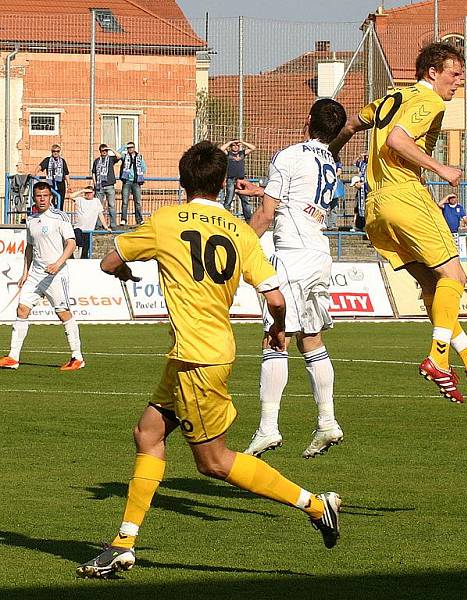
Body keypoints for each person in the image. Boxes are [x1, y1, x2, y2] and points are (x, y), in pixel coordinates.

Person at [76, 141, 341, 579]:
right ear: (222, 183)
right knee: (147, 433)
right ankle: (124, 543)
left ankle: (316, 506)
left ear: (182, 182)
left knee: (213, 462)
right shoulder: (239, 230)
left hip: (196, 358)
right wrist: (278, 326)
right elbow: (275, 297)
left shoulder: (163, 221)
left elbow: (108, 261)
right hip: (200, 353)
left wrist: (124, 270)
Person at [328, 42, 467, 403]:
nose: (460, 82)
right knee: (455, 277)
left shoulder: (391, 97)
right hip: (405, 198)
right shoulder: (430, 102)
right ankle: (437, 357)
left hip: (376, 207)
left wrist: (325, 153)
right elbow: (398, 139)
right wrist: (439, 168)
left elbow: (351, 123)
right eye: (454, 74)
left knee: (433, 284)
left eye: (462, 75)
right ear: (432, 73)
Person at [236, 99, 347, 460]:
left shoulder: (289, 154)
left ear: (308, 120)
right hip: (318, 252)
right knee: (310, 338)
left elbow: (266, 216)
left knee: (275, 336)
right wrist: (262, 190)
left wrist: (237, 248)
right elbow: (297, 201)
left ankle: (268, 427)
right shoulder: (330, 160)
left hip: (293, 256)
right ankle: (327, 420)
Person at [0, 182, 84, 371]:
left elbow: (71, 244)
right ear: (34, 198)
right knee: (22, 309)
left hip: (56, 273)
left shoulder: (60, 217)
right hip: (36, 273)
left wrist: (58, 263)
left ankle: (77, 357)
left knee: (63, 313)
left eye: (45, 196)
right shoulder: (31, 220)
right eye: (38, 196)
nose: (42, 199)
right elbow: (29, 247)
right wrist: (25, 272)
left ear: (51, 197)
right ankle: (13, 357)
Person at [218, 139, 256, 223]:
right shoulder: (228, 154)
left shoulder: (242, 153)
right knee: (228, 201)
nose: (236, 147)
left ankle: (248, 220)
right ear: (231, 147)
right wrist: (230, 142)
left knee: (245, 201)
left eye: (237, 145)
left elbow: (253, 148)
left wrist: (242, 142)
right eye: (234, 145)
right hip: (231, 180)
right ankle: (224, 219)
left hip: (241, 180)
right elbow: (221, 149)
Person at [69, 185, 112, 259]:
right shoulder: (80, 199)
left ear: (93, 193)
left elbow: (100, 215)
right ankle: (75, 251)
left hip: (89, 230)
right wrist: (82, 191)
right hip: (78, 228)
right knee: (78, 241)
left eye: (90, 192)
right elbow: (70, 196)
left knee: (85, 251)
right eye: (87, 193)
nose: (88, 194)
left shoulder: (96, 201)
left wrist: (106, 227)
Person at [118, 141, 147, 226]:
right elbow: (117, 153)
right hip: (127, 181)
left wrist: (139, 170)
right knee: (125, 201)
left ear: (134, 148)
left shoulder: (139, 157)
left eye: (132, 147)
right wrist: (124, 146)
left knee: (137, 201)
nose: (130, 149)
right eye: (129, 148)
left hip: (136, 182)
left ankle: (139, 219)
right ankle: (123, 219)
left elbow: (144, 168)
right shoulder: (124, 156)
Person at [92, 144, 119, 228]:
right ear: (100, 151)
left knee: (111, 205)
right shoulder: (97, 161)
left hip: (109, 185)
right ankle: (99, 224)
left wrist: (111, 149)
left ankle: (113, 224)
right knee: (98, 206)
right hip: (99, 186)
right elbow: (93, 172)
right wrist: (95, 183)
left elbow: (119, 156)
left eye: (106, 150)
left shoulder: (111, 159)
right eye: (103, 150)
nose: (104, 152)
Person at [437, 193, 467, 258]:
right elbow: (439, 204)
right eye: (451, 198)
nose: (452, 199)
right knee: (445, 247)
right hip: (445, 231)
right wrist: (448, 196)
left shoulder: (459, 207)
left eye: (454, 197)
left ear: (457, 198)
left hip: (454, 232)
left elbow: (465, 219)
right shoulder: (446, 206)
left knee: (455, 248)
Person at [37, 144, 70, 210]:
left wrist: (69, 184)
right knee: (51, 201)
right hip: (51, 184)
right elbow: (39, 167)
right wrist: (34, 174)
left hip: (60, 183)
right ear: (51, 152)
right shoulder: (47, 160)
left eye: (57, 151)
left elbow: (66, 173)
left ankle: (59, 214)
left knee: (60, 201)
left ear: (59, 152)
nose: (55, 152)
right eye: (54, 151)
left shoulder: (62, 161)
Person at [326, 160, 345, 230]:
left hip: (334, 187)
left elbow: (339, 171)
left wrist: (332, 176)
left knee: (334, 207)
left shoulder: (338, 163)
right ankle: (325, 224)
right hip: (326, 186)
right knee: (325, 207)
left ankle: (332, 224)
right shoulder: (326, 160)